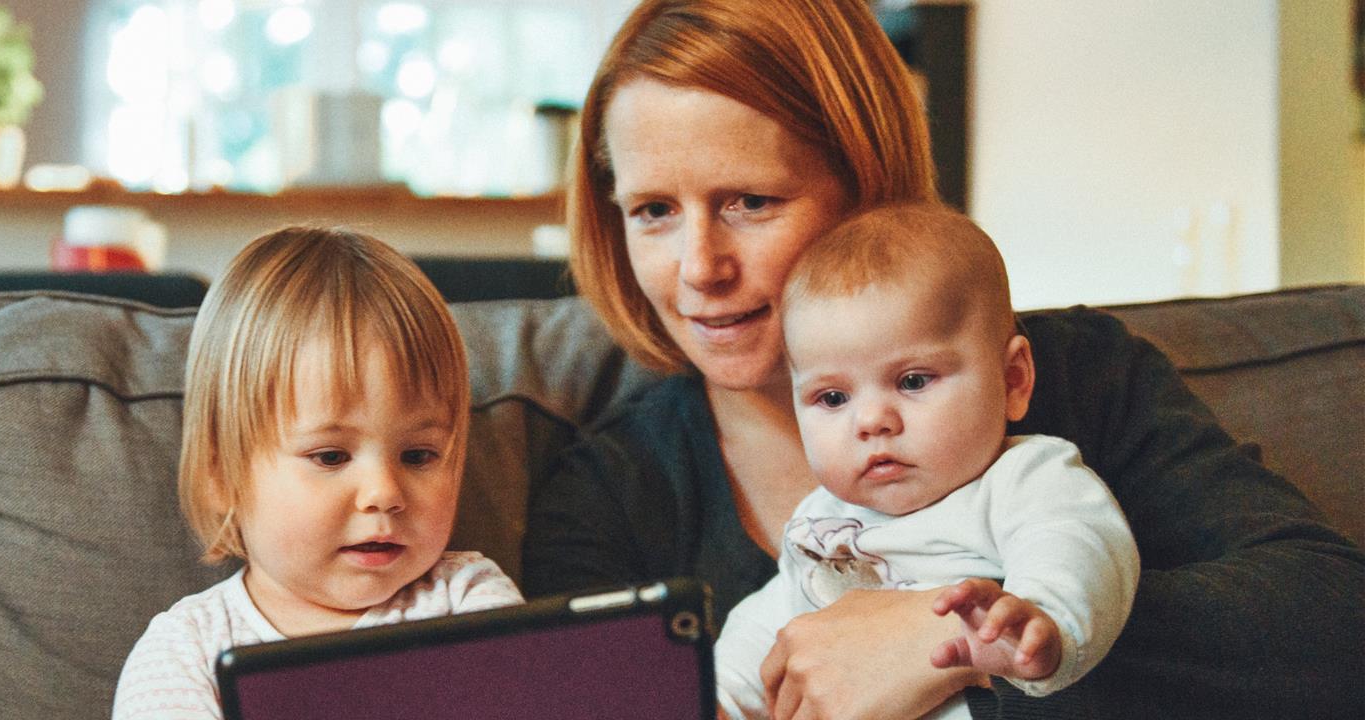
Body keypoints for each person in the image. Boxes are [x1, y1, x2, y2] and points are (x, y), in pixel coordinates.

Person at [520, 0, 1365, 717]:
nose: (701, 268)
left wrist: (958, 641)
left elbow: (1332, 621)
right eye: (655, 210)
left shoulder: (1077, 377)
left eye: (751, 201)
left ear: (866, 182)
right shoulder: (606, 497)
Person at [713, 203, 1139, 720]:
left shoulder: (1023, 480)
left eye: (913, 381)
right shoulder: (819, 519)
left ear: (1013, 381)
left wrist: (1041, 626)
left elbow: (1078, 547)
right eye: (831, 398)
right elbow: (772, 623)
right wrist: (719, 696)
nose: (871, 421)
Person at [111, 226, 523, 719]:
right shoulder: (187, 652)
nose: (383, 494)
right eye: (330, 457)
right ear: (221, 476)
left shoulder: (470, 601)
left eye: (418, 456)